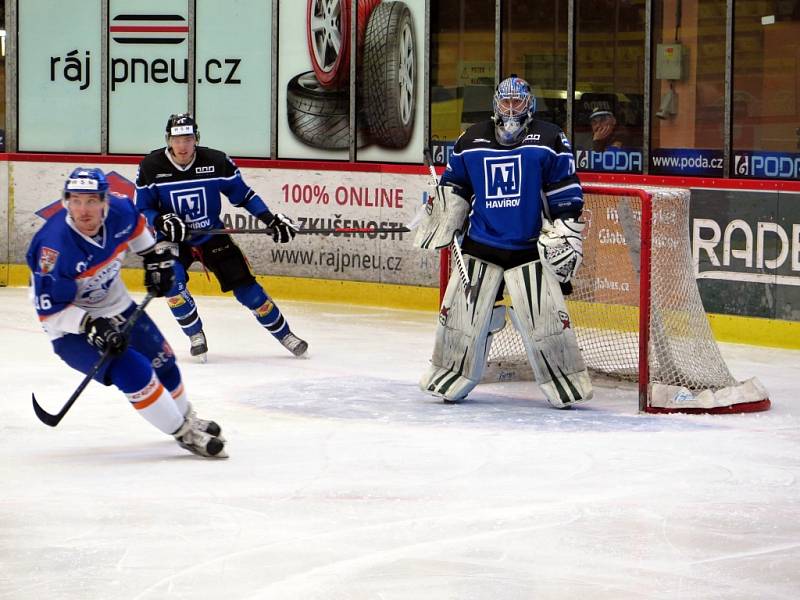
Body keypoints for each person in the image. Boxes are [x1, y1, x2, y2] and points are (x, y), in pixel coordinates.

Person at [417, 75, 593, 408]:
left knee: (545, 323)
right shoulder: (471, 139)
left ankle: (563, 380)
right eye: (505, 102)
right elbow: (456, 184)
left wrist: (566, 226)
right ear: (496, 104)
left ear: (530, 104)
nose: (511, 109)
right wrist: (444, 209)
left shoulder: (550, 138)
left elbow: (564, 187)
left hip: (529, 247)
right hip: (480, 245)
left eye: (518, 102)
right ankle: (450, 373)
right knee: (462, 322)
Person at [27, 167, 227, 458]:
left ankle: (186, 417)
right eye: (77, 201)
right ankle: (184, 434)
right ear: (66, 202)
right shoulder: (53, 249)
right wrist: (91, 325)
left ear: (105, 202)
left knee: (164, 360)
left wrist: (153, 258)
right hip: (70, 327)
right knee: (134, 371)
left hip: (116, 305)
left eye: (92, 200)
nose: (84, 210)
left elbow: (137, 231)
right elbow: (50, 314)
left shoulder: (120, 210)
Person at [135, 113, 308, 362]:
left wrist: (269, 219)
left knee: (249, 291)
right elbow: (142, 208)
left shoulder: (216, 161)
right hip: (173, 238)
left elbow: (244, 196)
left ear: (196, 139)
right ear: (168, 140)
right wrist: (161, 220)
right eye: (177, 140)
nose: (182, 146)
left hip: (211, 236)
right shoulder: (151, 166)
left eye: (188, 139)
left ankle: (286, 335)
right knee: (172, 283)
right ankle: (195, 335)